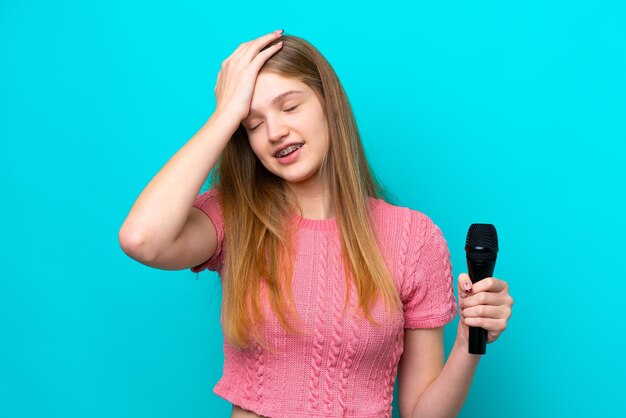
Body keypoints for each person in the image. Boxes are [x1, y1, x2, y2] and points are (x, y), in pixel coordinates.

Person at [119, 29, 514, 418]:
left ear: (329, 104)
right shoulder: (235, 216)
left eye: (290, 107)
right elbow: (142, 239)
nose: (275, 132)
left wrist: (467, 339)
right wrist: (225, 115)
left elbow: (421, 414)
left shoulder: (413, 239)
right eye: (253, 124)